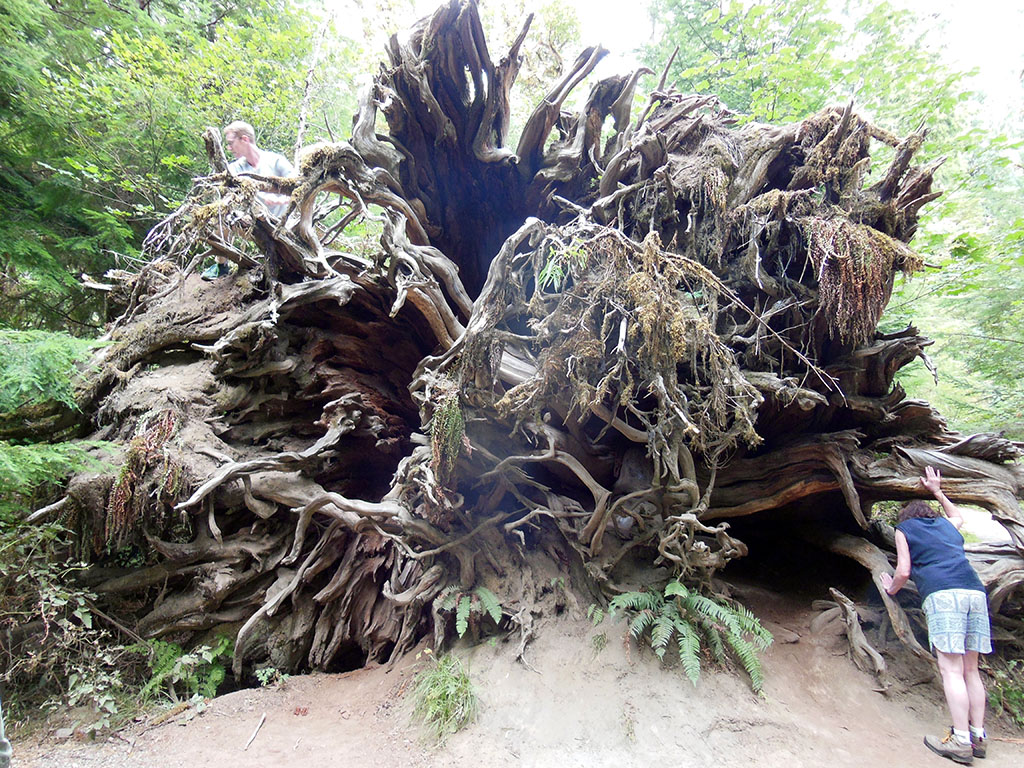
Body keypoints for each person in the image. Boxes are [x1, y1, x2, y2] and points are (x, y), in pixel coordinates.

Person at [881, 466, 991, 765]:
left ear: (905, 517)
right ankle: (978, 736)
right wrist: (938, 491)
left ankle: (960, 741)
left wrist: (891, 588)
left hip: (944, 595)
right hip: (974, 592)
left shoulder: (904, 529)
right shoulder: (945, 525)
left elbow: (903, 570)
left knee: (951, 670)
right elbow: (959, 517)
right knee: (971, 670)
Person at [203, 121, 295, 279]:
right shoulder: (236, 168)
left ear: (244, 139)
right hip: (255, 226)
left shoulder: (275, 161)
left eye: (231, 143)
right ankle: (221, 267)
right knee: (219, 216)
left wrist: (280, 200)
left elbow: (299, 187)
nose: (229, 148)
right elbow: (226, 193)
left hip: (285, 225)